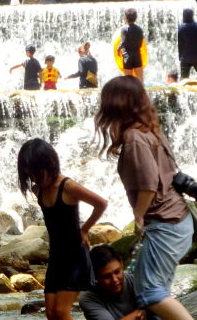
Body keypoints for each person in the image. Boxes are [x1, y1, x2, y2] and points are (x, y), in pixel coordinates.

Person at [95, 76, 193, 320]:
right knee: (157, 292)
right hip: (176, 220)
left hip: (165, 223)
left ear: (116, 104)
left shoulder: (134, 137)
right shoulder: (149, 131)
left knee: (151, 294)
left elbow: (148, 186)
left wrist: (138, 216)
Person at [17, 138, 107, 320]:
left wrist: (85, 229)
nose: (33, 179)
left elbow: (101, 203)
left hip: (75, 256)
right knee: (51, 313)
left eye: (35, 173)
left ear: (49, 164)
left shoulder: (67, 186)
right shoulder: (38, 190)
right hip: (56, 258)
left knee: (61, 311)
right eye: (29, 175)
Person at [79, 245, 146, 320]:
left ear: (121, 264)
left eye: (117, 272)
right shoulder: (88, 298)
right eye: (106, 276)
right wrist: (142, 311)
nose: (114, 280)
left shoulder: (137, 281)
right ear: (94, 276)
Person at [118, 8, 145, 82]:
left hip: (126, 54)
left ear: (126, 18)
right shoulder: (140, 29)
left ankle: (129, 93)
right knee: (140, 79)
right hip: (137, 54)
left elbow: (123, 42)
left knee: (128, 79)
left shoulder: (124, 29)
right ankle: (141, 92)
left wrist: (118, 49)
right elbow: (141, 42)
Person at [178, 8, 197, 79]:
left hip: (185, 57)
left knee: (184, 79)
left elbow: (180, 44)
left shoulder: (181, 27)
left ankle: (183, 89)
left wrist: (180, 57)